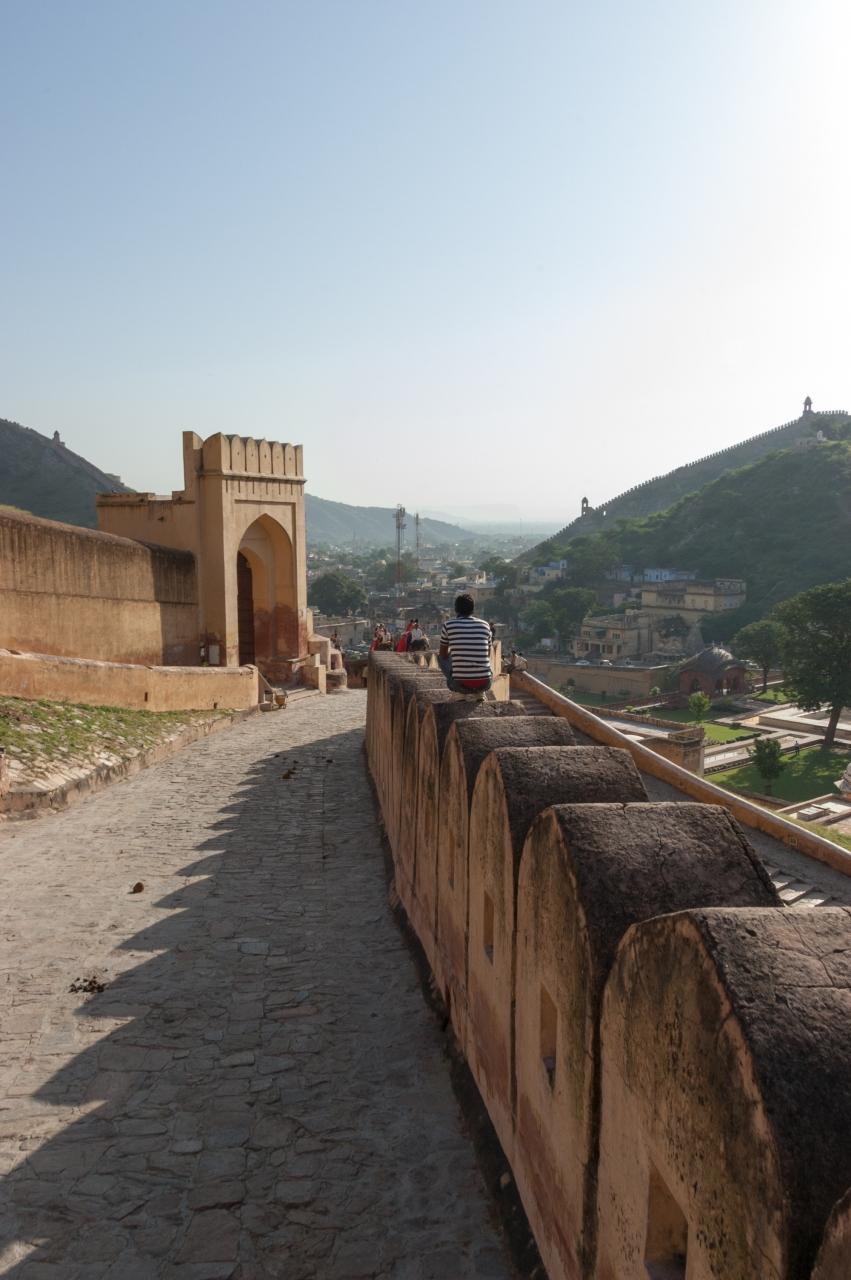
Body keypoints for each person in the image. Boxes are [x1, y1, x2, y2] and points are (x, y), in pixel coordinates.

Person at [439, 594, 493, 697]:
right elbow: (488, 654)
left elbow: (443, 654)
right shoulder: (485, 625)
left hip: (459, 684)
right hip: (485, 683)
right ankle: (480, 693)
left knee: (441, 657)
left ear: (456, 609)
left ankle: (460, 693)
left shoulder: (448, 625)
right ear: (473, 609)